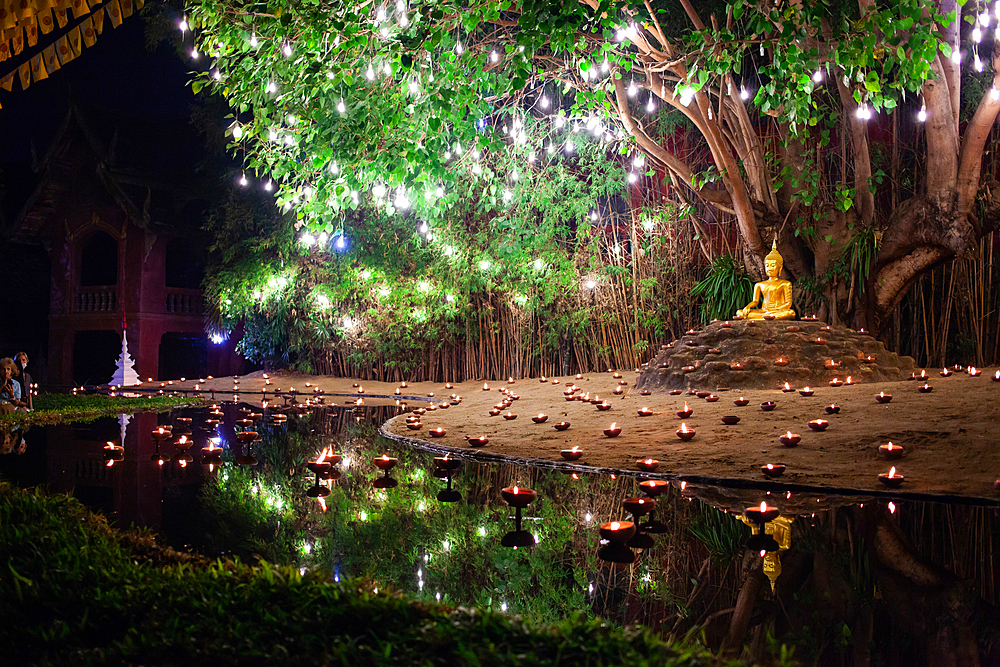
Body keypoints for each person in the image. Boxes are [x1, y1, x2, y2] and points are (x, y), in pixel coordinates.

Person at [737, 239, 796, 320]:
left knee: (790, 313)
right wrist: (748, 307)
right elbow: (755, 301)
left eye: (772, 265)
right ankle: (767, 317)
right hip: (763, 311)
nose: (769, 268)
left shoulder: (785, 284)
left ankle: (766, 317)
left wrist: (774, 310)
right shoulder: (760, 284)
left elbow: (788, 303)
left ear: (780, 267)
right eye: (767, 265)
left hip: (777, 311)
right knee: (739, 312)